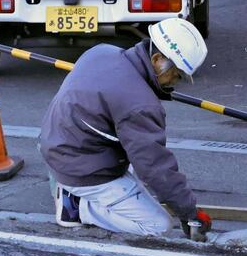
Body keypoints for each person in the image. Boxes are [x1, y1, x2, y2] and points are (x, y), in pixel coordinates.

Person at [40, 18, 213, 241]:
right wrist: (189, 214)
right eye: (176, 74)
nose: (174, 83)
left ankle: (73, 188)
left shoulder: (103, 53)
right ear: (158, 59)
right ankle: (76, 206)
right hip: (79, 165)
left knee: (139, 170)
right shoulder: (139, 104)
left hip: (56, 142)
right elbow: (154, 167)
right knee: (158, 225)